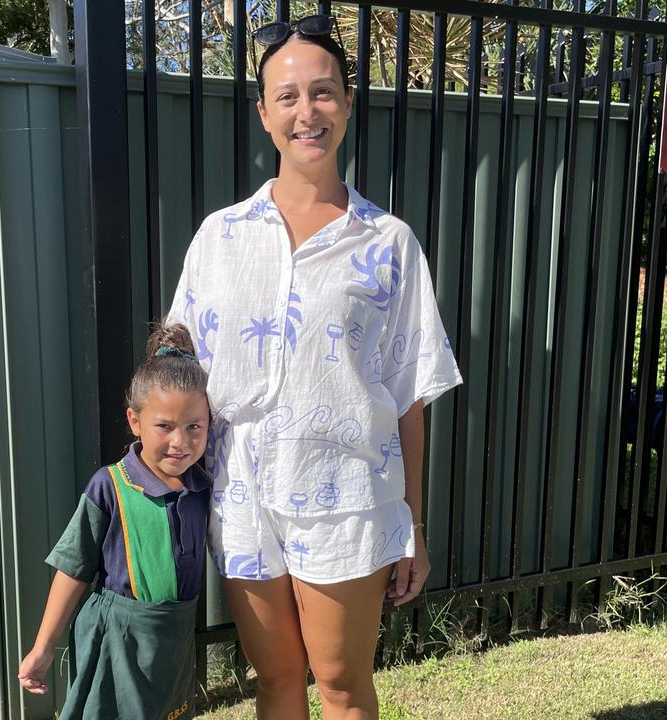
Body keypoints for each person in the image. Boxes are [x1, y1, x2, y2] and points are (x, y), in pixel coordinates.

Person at [167, 14, 462, 719]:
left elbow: (408, 392)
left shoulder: (387, 244)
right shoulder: (219, 237)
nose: (308, 112)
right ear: (265, 112)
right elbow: (178, 366)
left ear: (349, 103)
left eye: (323, 93)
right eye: (290, 96)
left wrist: (412, 524)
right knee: (274, 680)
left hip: (349, 500)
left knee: (339, 684)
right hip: (241, 498)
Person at [16, 324, 211, 720]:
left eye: (195, 426)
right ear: (135, 421)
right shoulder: (110, 487)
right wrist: (42, 648)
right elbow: (73, 569)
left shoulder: (204, 488)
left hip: (171, 642)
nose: (181, 441)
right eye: (164, 426)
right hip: (115, 641)